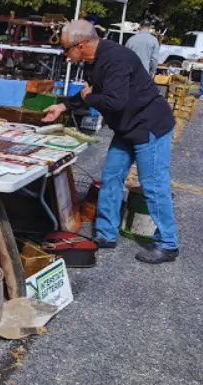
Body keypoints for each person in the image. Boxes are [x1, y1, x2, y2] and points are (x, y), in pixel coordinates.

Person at [42, 20, 178, 264]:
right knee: (111, 178)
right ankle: (106, 234)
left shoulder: (117, 59)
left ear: (81, 45)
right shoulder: (92, 62)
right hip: (126, 128)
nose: (65, 55)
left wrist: (89, 96)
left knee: (153, 185)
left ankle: (168, 244)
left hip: (149, 126)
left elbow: (114, 102)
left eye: (66, 49)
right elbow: (89, 94)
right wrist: (63, 105)